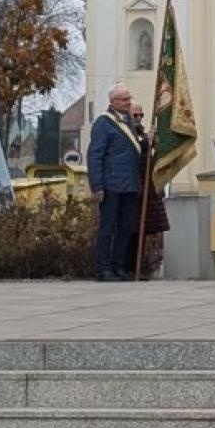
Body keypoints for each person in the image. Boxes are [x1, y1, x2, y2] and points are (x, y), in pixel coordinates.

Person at [87, 84, 143, 281]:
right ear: (113, 102)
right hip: (111, 185)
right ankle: (103, 268)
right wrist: (97, 185)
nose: (128, 102)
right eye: (124, 99)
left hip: (130, 184)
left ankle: (119, 266)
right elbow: (95, 155)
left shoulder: (129, 123)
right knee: (108, 228)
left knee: (126, 227)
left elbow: (133, 149)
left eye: (129, 98)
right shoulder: (104, 123)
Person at [130, 100, 170, 277]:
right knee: (132, 232)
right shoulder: (129, 134)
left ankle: (142, 267)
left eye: (141, 115)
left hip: (148, 190)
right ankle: (131, 267)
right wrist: (147, 141)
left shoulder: (141, 134)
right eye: (135, 115)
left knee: (145, 232)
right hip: (135, 190)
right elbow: (135, 153)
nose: (138, 119)